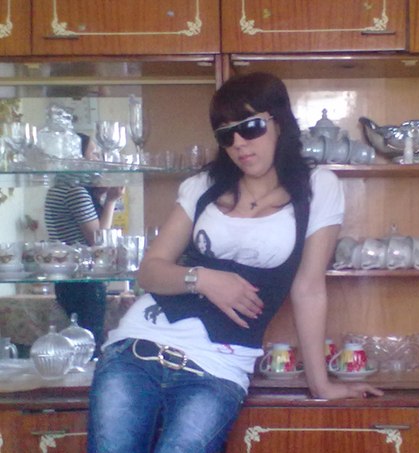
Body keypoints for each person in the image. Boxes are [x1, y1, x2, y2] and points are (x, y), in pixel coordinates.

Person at [87, 72, 383, 453]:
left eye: (250, 127)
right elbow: (150, 270)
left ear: (280, 122)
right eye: (226, 135)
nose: (239, 143)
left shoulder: (317, 187)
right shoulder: (202, 186)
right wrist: (203, 279)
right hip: (136, 347)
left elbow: (308, 289)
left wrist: (320, 384)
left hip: (218, 367)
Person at [44, 133, 125, 355]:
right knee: (90, 343)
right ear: (78, 158)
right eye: (93, 154)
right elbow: (98, 240)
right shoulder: (75, 191)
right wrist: (111, 201)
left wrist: (98, 197)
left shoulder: (57, 189)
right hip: (84, 278)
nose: (98, 159)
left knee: (75, 341)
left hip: (66, 276)